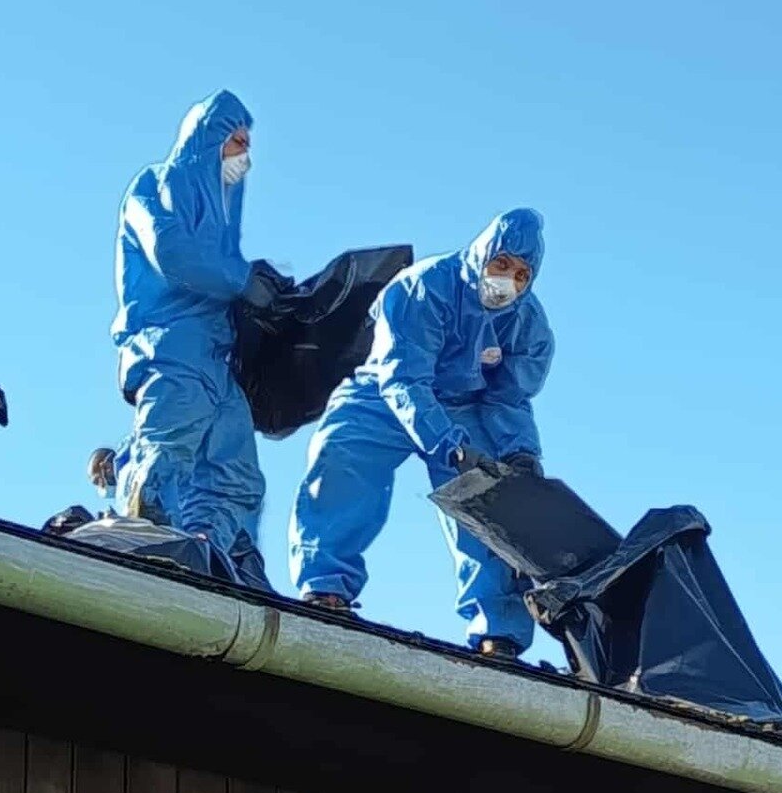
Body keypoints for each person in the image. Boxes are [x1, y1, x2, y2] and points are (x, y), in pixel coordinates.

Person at [288, 208, 553, 658]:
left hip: (466, 406)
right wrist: (447, 443)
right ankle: (325, 588)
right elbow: (404, 379)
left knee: (490, 501)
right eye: (502, 263)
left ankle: (499, 632)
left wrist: (520, 452)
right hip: (383, 392)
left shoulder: (528, 325)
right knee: (342, 460)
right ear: (482, 254)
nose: (507, 280)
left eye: (522, 275)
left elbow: (508, 398)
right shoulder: (423, 286)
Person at [111, 90, 280, 588]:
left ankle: (205, 552)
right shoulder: (157, 185)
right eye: (236, 141)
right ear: (207, 139)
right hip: (172, 348)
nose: (244, 155)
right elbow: (173, 253)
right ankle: (140, 539)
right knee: (166, 449)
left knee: (236, 473)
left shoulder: (223, 218)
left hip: (215, 357)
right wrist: (242, 279)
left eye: (247, 143)